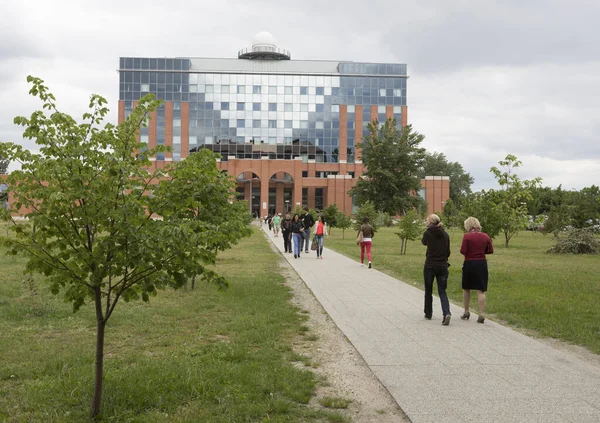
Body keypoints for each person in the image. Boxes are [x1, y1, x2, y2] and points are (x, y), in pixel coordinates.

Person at [460, 216, 494, 324]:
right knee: (481, 290)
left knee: (466, 288)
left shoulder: (467, 237)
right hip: (481, 263)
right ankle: (481, 313)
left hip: (469, 263)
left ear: (468, 226)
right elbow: (490, 250)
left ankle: (466, 311)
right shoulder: (486, 236)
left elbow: (463, 251)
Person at [421, 214, 452, 325]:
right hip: (443, 265)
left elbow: (424, 242)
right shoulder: (445, 234)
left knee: (428, 289)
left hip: (430, 264)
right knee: (442, 290)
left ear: (430, 222)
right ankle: (446, 312)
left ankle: (428, 313)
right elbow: (448, 251)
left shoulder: (427, 233)